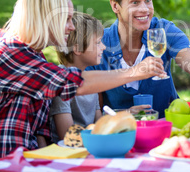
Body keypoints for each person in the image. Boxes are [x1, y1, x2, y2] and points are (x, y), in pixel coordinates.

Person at [0, 0, 165, 161]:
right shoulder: (10, 53)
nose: (72, 26)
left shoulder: (34, 56)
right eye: (66, 19)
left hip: (25, 158)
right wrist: (134, 72)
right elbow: (75, 83)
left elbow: (40, 129)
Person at [86, 0, 190, 118]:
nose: (145, 9)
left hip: (169, 130)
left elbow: (189, 59)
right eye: (135, 2)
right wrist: (125, 115)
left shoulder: (164, 29)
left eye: (148, 0)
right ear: (115, 6)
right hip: (120, 134)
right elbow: (93, 115)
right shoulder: (99, 44)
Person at [49, 12, 150, 143]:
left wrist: (125, 114)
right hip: (66, 154)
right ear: (78, 48)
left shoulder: (93, 80)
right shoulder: (61, 82)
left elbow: (99, 123)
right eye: (97, 43)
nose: (103, 47)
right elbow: (67, 135)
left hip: (89, 146)